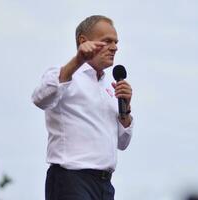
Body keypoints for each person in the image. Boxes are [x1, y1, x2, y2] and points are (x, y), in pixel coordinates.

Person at [31, 15, 134, 200]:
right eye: (107, 41)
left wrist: (126, 109)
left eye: (116, 42)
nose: (115, 47)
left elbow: (122, 143)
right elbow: (40, 98)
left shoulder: (110, 87)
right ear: (83, 41)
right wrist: (77, 60)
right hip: (71, 180)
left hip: (104, 185)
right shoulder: (64, 75)